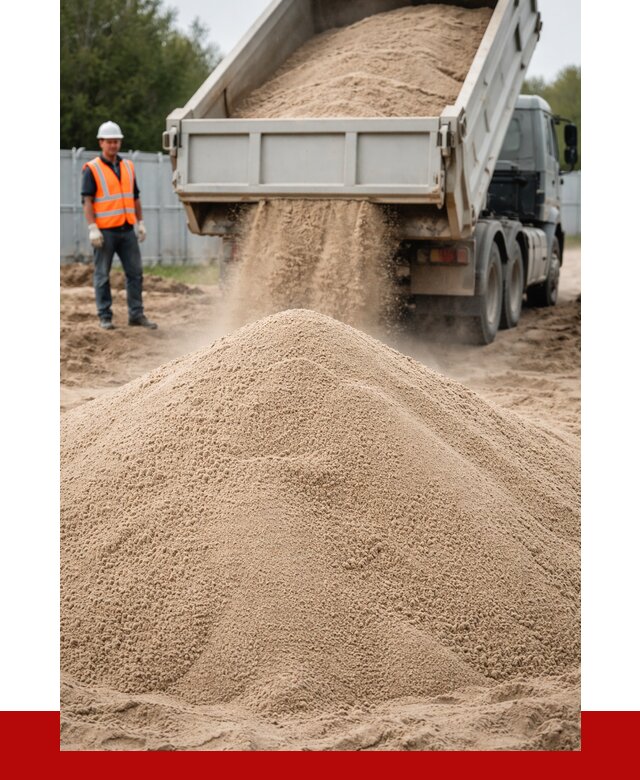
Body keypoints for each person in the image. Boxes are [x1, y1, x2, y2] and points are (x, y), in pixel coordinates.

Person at [82, 121, 157, 330]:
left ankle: (136, 315)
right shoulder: (92, 169)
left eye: (116, 141)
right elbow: (87, 201)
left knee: (135, 274)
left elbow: (135, 197)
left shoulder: (128, 167)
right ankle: (105, 316)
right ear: (101, 142)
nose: (113, 145)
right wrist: (92, 227)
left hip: (127, 230)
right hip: (104, 232)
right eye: (109, 141)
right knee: (102, 275)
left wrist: (140, 222)